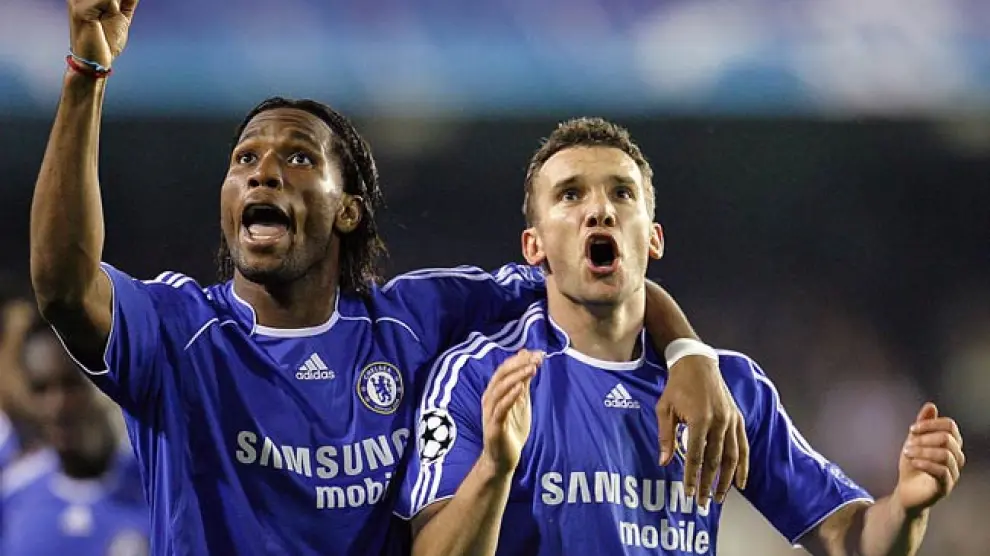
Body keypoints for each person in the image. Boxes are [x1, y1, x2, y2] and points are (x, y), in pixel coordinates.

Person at [31, 1, 749, 554]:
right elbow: (64, 284)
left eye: (298, 157)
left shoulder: (418, 320)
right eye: (244, 158)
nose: (262, 170)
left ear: (348, 210)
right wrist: (86, 75)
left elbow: (593, 277)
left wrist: (687, 352)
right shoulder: (177, 331)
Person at [399, 118, 966, 556]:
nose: (599, 210)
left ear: (653, 239)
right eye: (570, 195)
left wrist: (909, 505)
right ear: (534, 245)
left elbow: (852, 540)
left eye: (622, 193)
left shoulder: (729, 390)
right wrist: (493, 469)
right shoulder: (481, 378)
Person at [1, 327, 149, 555]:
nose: (58, 406)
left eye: (71, 385)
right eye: (41, 389)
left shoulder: (152, 484)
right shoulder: (13, 491)